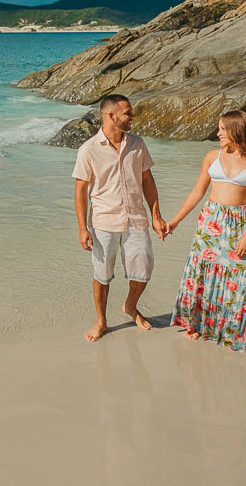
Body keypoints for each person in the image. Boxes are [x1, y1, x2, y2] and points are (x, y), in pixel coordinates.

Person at [165, 110, 246, 355]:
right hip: (212, 222)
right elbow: (197, 192)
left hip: (243, 223)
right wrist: (175, 221)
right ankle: (199, 324)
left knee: (243, 277)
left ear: (237, 130)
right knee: (205, 273)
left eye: (223, 129)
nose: (218, 133)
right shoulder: (212, 156)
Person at [73, 94, 168, 342]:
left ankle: (130, 306)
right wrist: (82, 228)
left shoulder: (138, 144)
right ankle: (101, 321)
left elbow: (147, 180)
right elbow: (80, 191)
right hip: (103, 222)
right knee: (102, 275)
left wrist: (156, 215)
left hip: (136, 218)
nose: (132, 117)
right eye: (128, 113)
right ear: (110, 115)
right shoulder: (88, 150)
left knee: (143, 269)